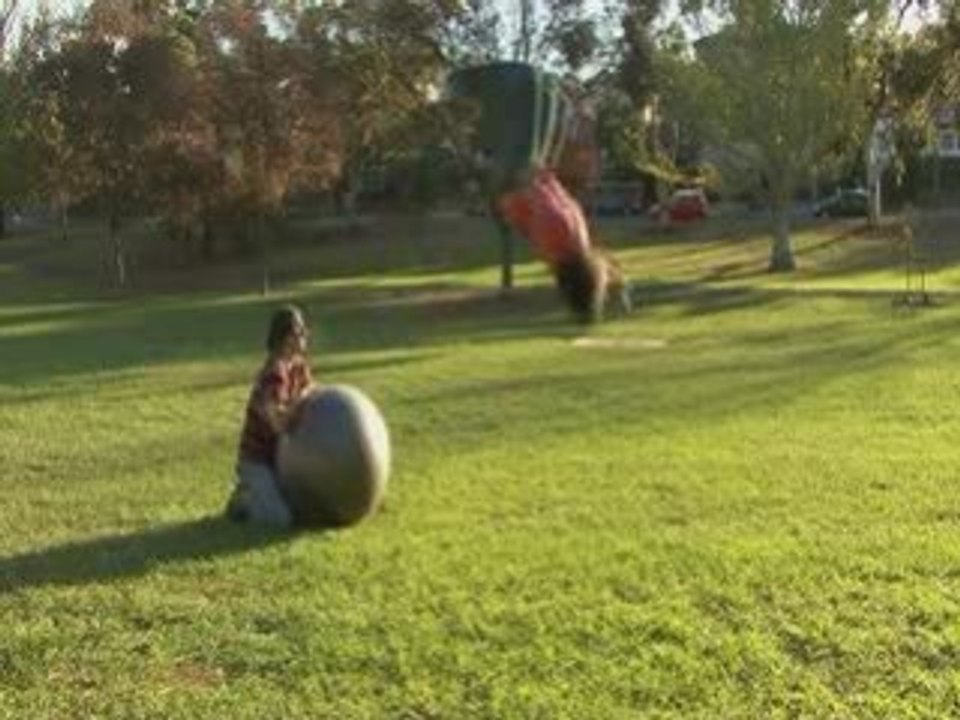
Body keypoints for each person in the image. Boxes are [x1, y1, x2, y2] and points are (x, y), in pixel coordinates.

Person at [496, 168, 634, 323]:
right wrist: (543, 180)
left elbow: (545, 200)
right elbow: (549, 198)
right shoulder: (562, 236)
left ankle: (595, 300)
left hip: (547, 214)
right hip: (546, 213)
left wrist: (540, 181)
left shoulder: (557, 231)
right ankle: (595, 301)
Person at [225, 305, 315, 527]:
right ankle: (243, 500)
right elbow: (278, 424)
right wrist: (302, 398)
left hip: (283, 459)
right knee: (281, 519)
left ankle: (263, 493)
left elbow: (314, 396)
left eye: (305, 330)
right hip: (258, 461)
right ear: (285, 338)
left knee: (304, 508)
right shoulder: (274, 374)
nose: (305, 336)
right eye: (299, 331)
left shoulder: (299, 367)